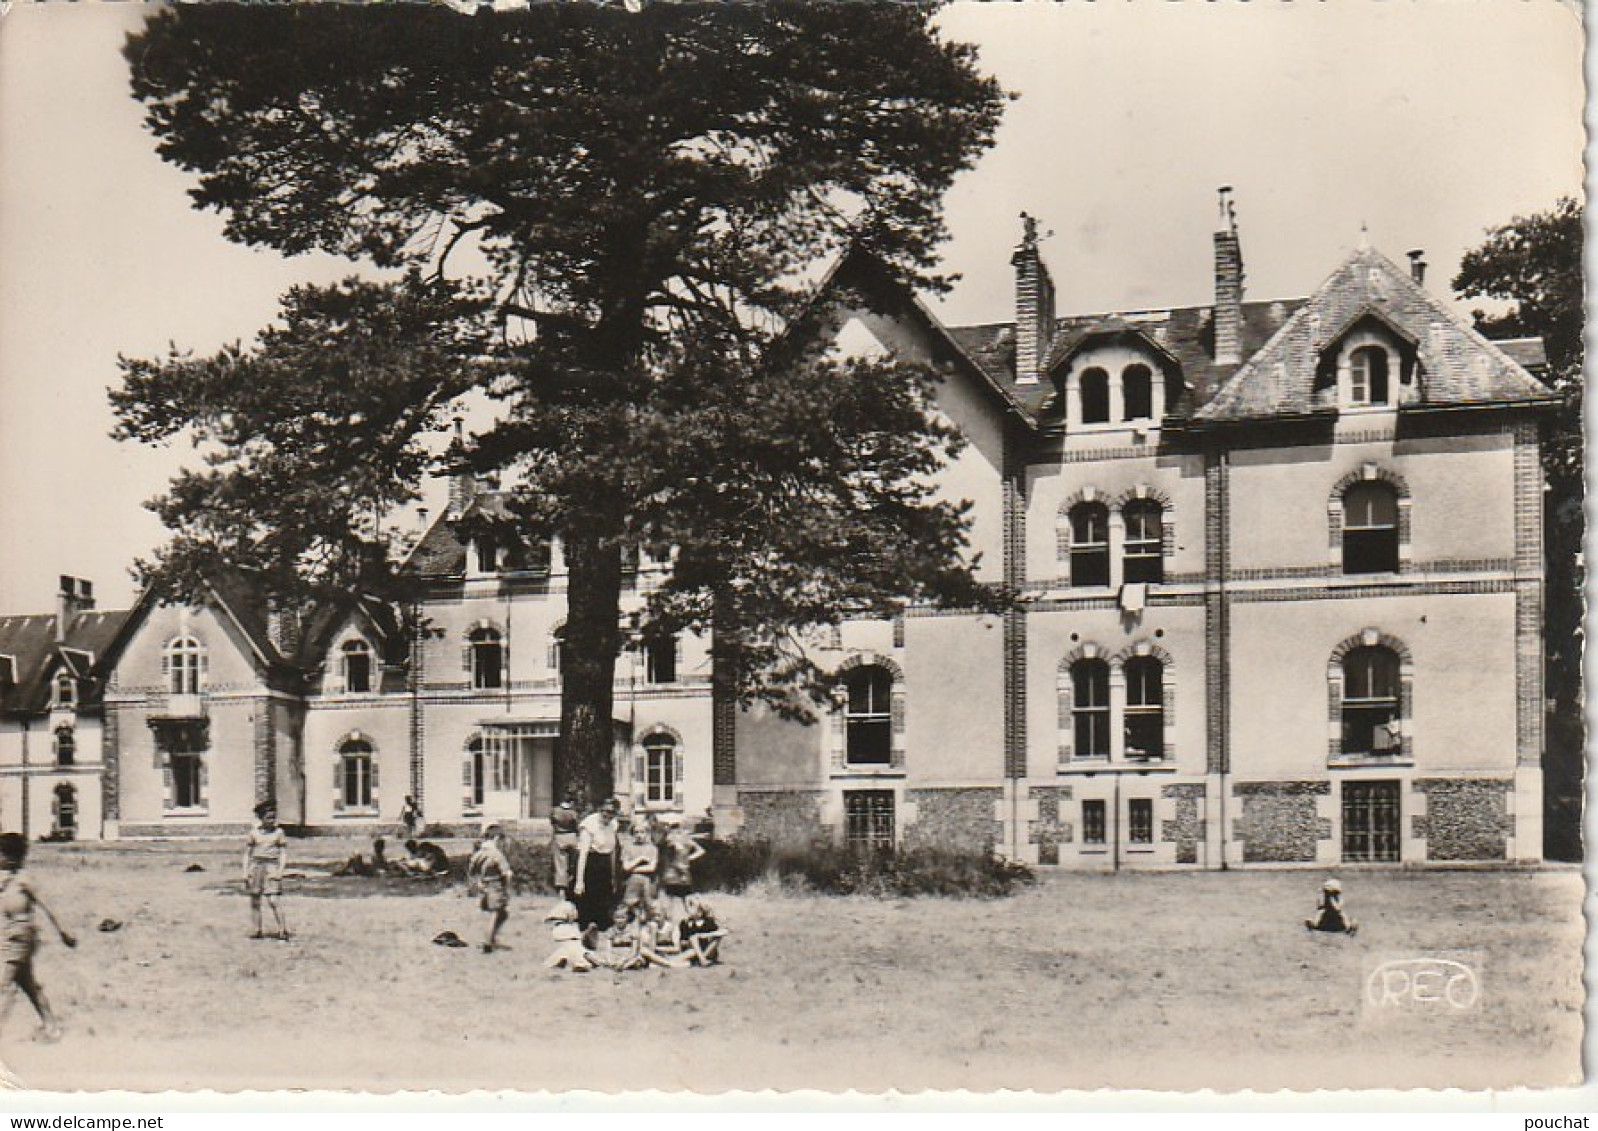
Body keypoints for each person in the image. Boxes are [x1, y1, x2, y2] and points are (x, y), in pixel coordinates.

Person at [0, 832, 75, 1043]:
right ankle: (51, 1026)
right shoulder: (6, 880)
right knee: (27, 985)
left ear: (10, 857)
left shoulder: (24, 880)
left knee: (3, 983)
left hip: (21, 936)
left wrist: (63, 931)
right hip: (10, 936)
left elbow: (48, 905)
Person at [243, 802, 290, 941]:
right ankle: (256, 929)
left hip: (271, 867)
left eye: (274, 817)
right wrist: (245, 872)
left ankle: (282, 930)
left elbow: (283, 853)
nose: (272, 821)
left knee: (273, 900)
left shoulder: (279, 833)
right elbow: (247, 853)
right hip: (257, 867)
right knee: (255, 900)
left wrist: (280, 871)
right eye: (269, 817)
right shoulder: (253, 833)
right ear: (261, 818)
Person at [573, 798, 621, 930]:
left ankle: (601, 924)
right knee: (588, 898)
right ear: (600, 810)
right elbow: (582, 855)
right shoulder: (589, 824)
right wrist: (579, 881)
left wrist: (613, 875)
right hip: (590, 863)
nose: (608, 815)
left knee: (604, 897)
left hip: (605, 864)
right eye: (605, 811)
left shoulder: (613, 825)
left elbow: (612, 852)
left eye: (612, 813)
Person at [657, 814, 706, 943]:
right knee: (680, 905)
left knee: (678, 905)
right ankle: (677, 933)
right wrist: (688, 859)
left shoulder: (673, 839)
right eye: (673, 827)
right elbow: (700, 850)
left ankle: (688, 931)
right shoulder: (682, 838)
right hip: (679, 874)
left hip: (675, 874)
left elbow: (699, 850)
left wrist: (687, 858)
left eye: (673, 826)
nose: (674, 829)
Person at [466, 825, 514, 953]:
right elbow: (507, 873)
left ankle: (491, 938)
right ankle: (488, 941)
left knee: (499, 914)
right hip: (496, 885)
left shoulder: (479, 854)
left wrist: (477, 883)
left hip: (484, 885)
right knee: (496, 914)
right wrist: (507, 889)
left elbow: (471, 871)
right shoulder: (496, 854)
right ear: (496, 838)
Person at [541, 900, 593, 972]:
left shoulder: (564, 905)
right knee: (574, 949)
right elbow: (572, 918)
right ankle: (579, 963)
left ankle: (564, 961)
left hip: (562, 930)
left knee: (568, 949)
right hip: (566, 930)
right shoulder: (569, 906)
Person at [619, 821, 659, 913]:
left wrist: (633, 869)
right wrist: (640, 858)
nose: (639, 835)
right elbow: (626, 867)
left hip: (648, 882)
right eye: (636, 832)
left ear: (647, 833)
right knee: (630, 908)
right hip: (631, 883)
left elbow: (651, 868)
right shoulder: (628, 847)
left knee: (649, 908)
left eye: (642, 832)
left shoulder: (652, 848)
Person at [678, 895, 726, 966]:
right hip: (692, 950)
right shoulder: (684, 923)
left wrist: (702, 936)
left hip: (707, 950)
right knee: (693, 938)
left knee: (717, 937)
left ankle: (702, 959)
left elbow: (723, 932)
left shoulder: (708, 922)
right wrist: (691, 942)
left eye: (693, 907)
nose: (688, 910)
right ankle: (702, 960)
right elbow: (682, 942)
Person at [550, 798, 580, 899]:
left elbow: (552, 822)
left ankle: (562, 889)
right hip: (572, 836)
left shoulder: (555, 811)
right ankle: (572, 884)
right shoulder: (572, 812)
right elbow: (576, 825)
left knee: (560, 865)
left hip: (559, 836)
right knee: (574, 863)